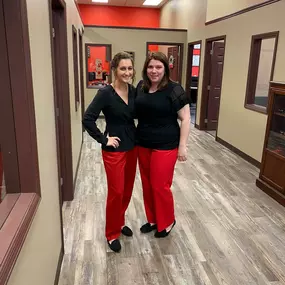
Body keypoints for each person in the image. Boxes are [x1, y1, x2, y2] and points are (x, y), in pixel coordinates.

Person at [82, 52, 137, 252]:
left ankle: (120, 221)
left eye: (130, 68)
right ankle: (112, 232)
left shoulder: (134, 91)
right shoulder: (105, 93)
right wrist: (104, 139)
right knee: (116, 191)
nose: (127, 72)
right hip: (114, 150)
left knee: (127, 190)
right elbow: (88, 118)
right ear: (114, 70)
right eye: (123, 68)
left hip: (133, 147)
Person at [135, 52, 190, 238]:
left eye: (158, 67)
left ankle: (166, 221)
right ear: (145, 69)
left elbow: (186, 118)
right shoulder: (141, 86)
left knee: (160, 185)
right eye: (150, 67)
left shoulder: (174, 89)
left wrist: (183, 145)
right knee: (147, 184)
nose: (154, 71)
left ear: (165, 68)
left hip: (166, 145)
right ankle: (153, 219)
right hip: (143, 143)